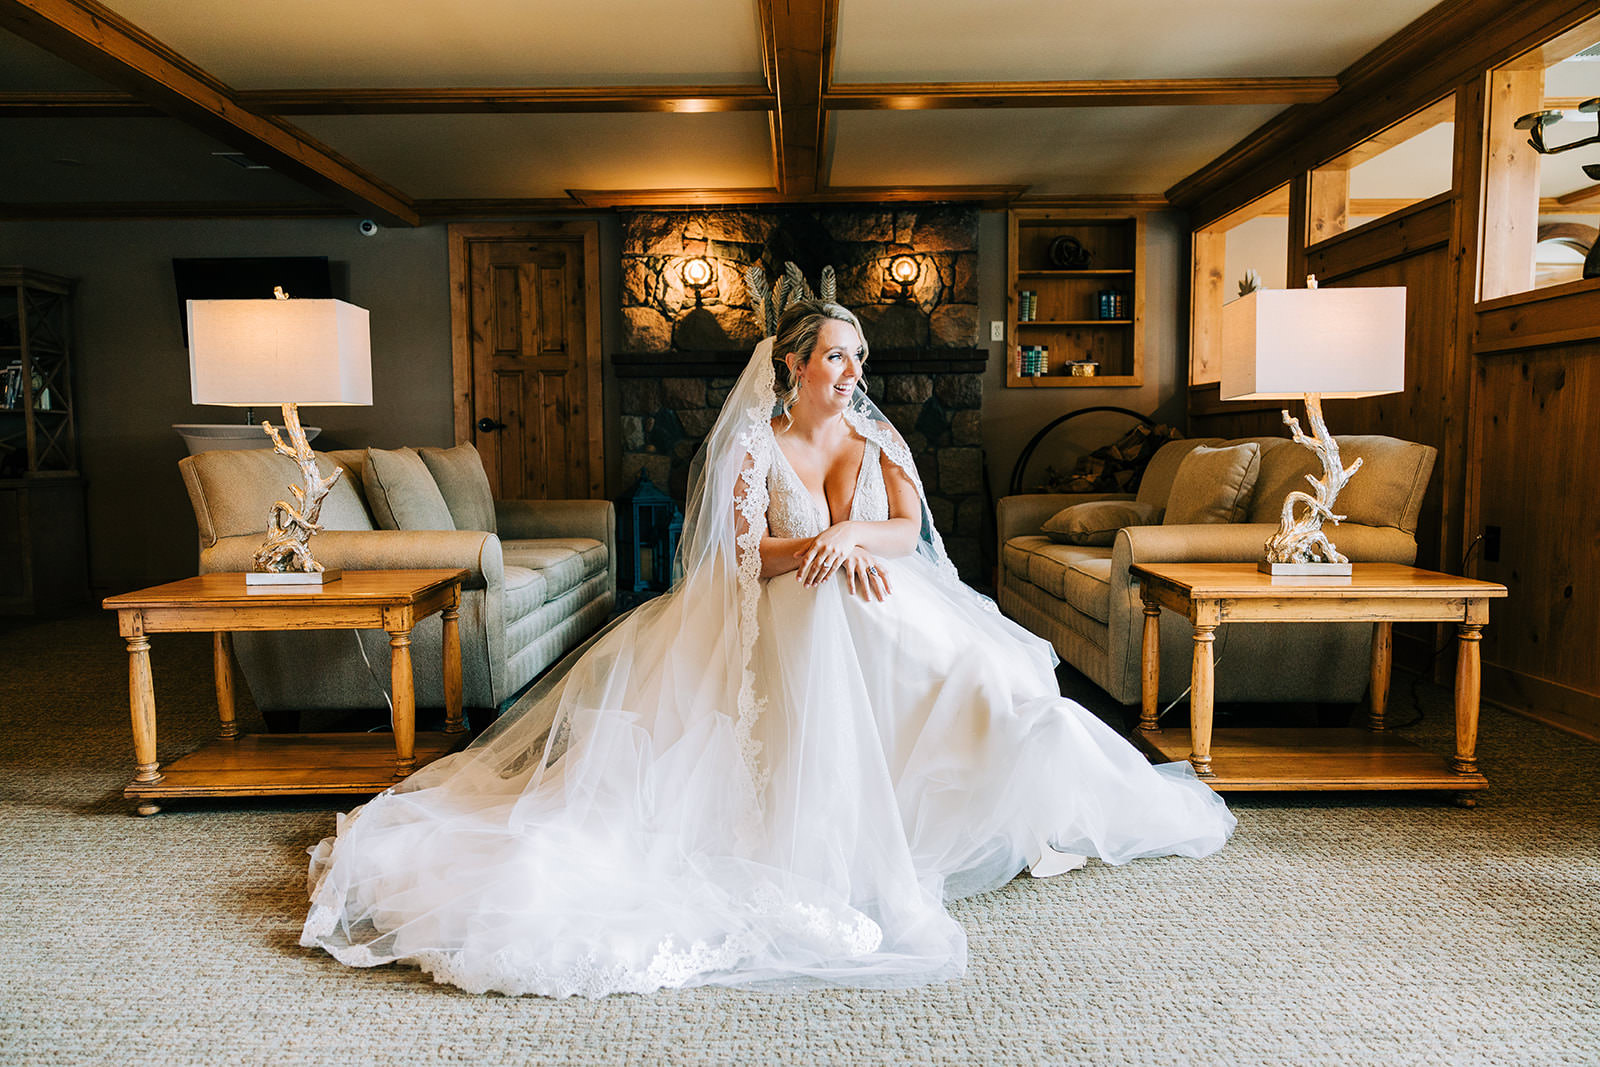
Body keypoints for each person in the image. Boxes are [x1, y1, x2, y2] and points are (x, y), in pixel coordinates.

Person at [300, 276, 1234, 999]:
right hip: (784, 596)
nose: (852, 373)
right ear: (793, 364)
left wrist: (851, 537)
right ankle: (837, 820)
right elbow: (743, 555)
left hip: (882, 584)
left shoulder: (879, 442)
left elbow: (909, 532)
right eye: (836, 358)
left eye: (858, 358)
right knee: (827, 618)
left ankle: (978, 793)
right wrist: (818, 554)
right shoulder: (754, 444)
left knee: (989, 677)